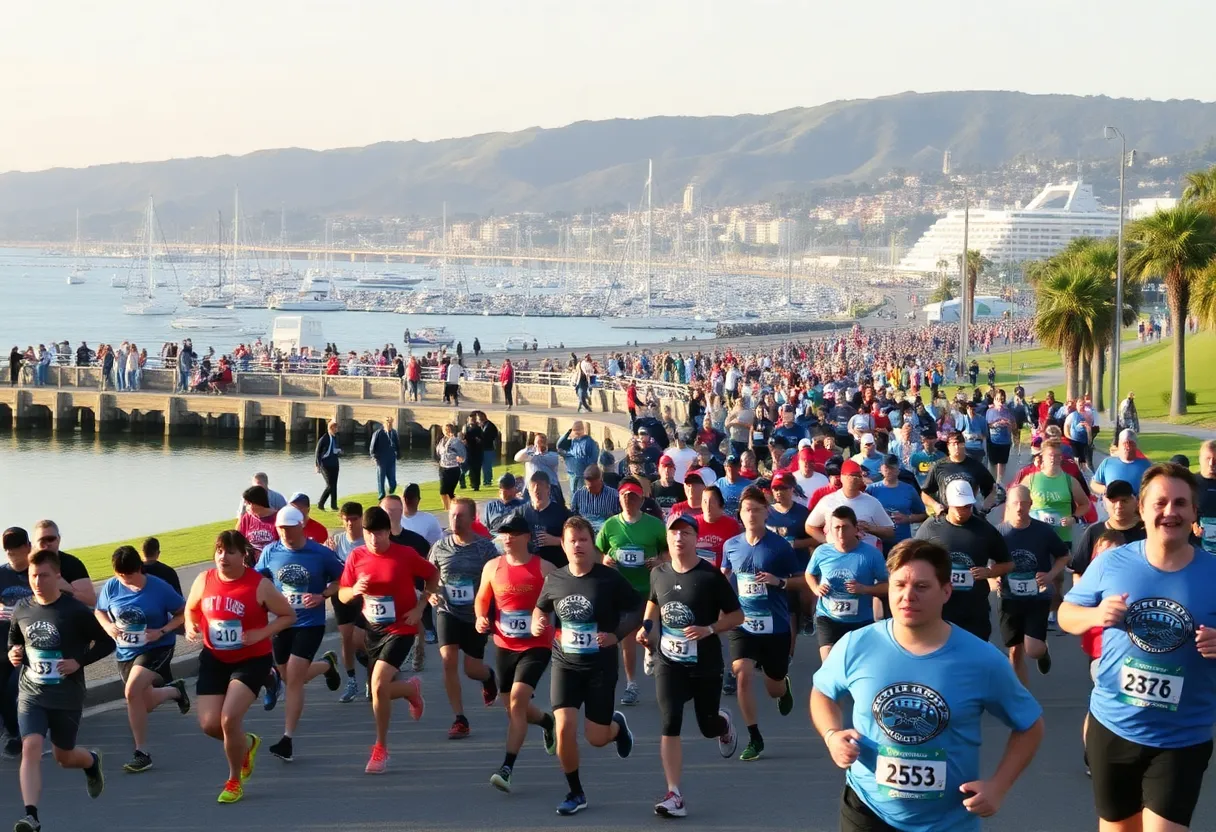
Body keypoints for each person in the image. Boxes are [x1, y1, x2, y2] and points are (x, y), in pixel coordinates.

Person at [811, 538, 1044, 832]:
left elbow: (1030, 725)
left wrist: (998, 786)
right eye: (899, 585)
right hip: (868, 808)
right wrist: (832, 735)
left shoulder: (982, 660)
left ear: (946, 591)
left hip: (949, 821)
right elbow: (823, 692)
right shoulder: (856, 645)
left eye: (921, 587)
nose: (908, 596)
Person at [1060, 463, 1216, 831]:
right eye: (1160, 502)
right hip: (1115, 727)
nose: (1170, 512)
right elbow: (1067, 612)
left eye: (1181, 503)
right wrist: (1096, 615)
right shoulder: (1112, 563)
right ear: (1142, 509)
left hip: (1182, 737)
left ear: (1195, 513)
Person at [533, 516, 642, 815]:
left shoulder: (608, 578)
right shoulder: (555, 579)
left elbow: (636, 608)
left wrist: (616, 635)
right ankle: (575, 792)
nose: (578, 545)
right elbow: (541, 607)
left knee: (595, 738)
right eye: (572, 541)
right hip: (565, 663)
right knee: (564, 728)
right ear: (564, 546)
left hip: (600, 666)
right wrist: (537, 621)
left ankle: (616, 728)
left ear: (591, 544)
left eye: (583, 540)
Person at [637, 513, 743, 817]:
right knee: (670, 721)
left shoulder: (710, 576)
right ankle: (675, 793)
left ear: (696, 539)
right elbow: (654, 604)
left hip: (705, 661)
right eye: (675, 533)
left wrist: (709, 629)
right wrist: (647, 631)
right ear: (668, 538)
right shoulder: (659, 573)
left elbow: (737, 617)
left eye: (686, 533)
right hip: (669, 661)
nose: (679, 538)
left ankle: (723, 723)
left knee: (707, 725)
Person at [184, 530, 296, 803]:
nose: (224, 557)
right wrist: (190, 624)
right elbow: (191, 609)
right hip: (214, 659)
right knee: (211, 725)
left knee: (228, 719)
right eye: (220, 550)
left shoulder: (259, 585)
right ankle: (247, 743)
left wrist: (262, 633)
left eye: (231, 552)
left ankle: (233, 780)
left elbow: (288, 615)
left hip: (251, 660)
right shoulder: (204, 579)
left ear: (243, 555)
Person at [7, 549, 112, 832]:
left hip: (66, 694)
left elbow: (106, 643)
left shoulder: (75, 612)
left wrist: (79, 661)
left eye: (43, 575)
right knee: (30, 747)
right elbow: (15, 641)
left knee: (63, 756)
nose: (37, 582)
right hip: (31, 692)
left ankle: (91, 761)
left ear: (57, 576)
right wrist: (14, 654)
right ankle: (31, 816)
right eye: (33, 576)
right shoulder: (23, 609)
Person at [337, 506, 435, 774]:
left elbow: (432, 575)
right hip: (373, 629)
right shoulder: (356, 557)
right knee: (378, 691)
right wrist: (353, 590)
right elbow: (343, 595)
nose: (374, 540)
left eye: (379, 534)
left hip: (401, 628)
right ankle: (410, 689)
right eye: (369, 534)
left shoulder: (405, 554)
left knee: (377, 685)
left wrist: (420, 607)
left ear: (388, 532)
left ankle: (380, 749)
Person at [473, 510, 558, 792]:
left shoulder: (544, 568)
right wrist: (480, 617)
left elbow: (558, 604)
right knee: (512, 707)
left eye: (511, 533)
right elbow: (482, 600)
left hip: (536, 645)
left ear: (525, 537)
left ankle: (506, 768)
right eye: (503, 533)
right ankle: (547, 721)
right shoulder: (492, 567)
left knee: (519, 700)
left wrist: (548, 622)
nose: (505, 538)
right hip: (504, 645)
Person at [254, 506, 344, 761]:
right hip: (283, 623)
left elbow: (342, 580)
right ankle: (327, 665)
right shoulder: (271, 551)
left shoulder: (320, 553)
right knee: (287, 674)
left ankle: (287, 739)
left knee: (293, 678)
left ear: (301, 526)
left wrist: (322, 595)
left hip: (309, 624)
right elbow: (257, 580)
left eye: (289, 529)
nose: (284, 533)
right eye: (280, 529)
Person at [721, 486, 803, 761]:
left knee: (773, 686)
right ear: (740, 515)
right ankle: (754, 737)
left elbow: (802, 580)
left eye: (758, 509)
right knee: (742, 674)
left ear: (766, 513)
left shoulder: (780, 547)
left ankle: (783, 687)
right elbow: (723, 577)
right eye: (748, 510)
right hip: (742, 623)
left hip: (775, 627)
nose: (752, 514)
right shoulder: (731, 545)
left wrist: (778, 582)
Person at [94, 546, 190, 773]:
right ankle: (175, 691)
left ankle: (142, 753)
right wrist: (108, 626)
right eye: (119, 575)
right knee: (141, 704)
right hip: (126, 652)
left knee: (131, 692)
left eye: (128, 575)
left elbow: (184, 611)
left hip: (156, 647)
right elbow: (99, 611)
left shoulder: (158, 587)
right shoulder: (112, 586)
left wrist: (163, 631)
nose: (124, 580)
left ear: (139, 569)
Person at [428, 498, 500, 739]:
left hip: (475, 616)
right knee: (448, 659)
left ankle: (488, 677)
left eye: (460, 515)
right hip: (448, 612)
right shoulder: (440, 547)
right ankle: (460, 718)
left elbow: (496, 582)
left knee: (472, 669)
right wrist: (432, 594)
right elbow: (430, 579)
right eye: (452, 515)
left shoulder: (486, 549)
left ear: (472, 518)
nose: (455, 520)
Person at [595, 477, 668, 705]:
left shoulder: (654, 525)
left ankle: (649, 648)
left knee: (649, 634)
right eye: (625, 497)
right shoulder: (610, 525)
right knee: (626, 638)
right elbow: (598, 552)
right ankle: (631, 684)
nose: (629, 501)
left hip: (649, 591)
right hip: (622, 592)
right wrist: (605, 559)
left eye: (634, 497)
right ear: (619, 499)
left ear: (641, 499)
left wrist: (658, 562)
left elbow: (668, 554)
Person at [914, 480, 1011, 641]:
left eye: (966, 507)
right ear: (948, 504)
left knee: (973, 659)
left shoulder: (984, 530)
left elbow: (1008, 563)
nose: (962, 511)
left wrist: (989, 572)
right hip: (940, 609)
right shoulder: (931, 527)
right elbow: (914, 561)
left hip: (973, 610)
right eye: (957, 506)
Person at [997, 485, 1070, 686]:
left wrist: (1050, 575)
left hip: (1037, 597)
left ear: (1030, 504)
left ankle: (1043, 651)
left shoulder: (1044, 531)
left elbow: (1064, 556)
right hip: (1009, 598)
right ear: (1008, 506)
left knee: (1033, 650)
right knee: (1014, 651)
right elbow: (988, 561)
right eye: (1015, 503)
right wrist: (991, 578)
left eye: (1023, 503)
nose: (1019, 508)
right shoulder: (1000, 532)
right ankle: (1023, 700)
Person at [806, 506, 889, 661]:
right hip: (828, 617)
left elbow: (888, 585)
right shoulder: (822, 552)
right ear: (830, 529)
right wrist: (816, 588)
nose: (840, 532)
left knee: (858, 665)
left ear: (856, 529)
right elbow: (809, 573)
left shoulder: (871, 555)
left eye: (845, 527)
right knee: (829, 664)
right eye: (836, 528)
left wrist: (864, 589)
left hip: (860, 620)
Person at [326, 502, 367, 702]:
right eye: (347, 519)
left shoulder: (368, 540)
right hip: (341, 595)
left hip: (364, 595)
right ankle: (352, 680)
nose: (350, 523)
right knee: (347, 638)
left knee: (362, 639)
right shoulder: (335, 541)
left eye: (354, 519)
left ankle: (373, 672)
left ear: (361, 519)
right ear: (341, 520)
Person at [807, 460, 895, 551]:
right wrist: (827, 542)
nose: (855, 478)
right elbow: (810, 526)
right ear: (842, 477)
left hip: (864, 555)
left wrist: (870, 528)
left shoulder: (872, 502)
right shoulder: (828, 501)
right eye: (852, 475)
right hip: (836, 555)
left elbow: (891, 531)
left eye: (858, 476)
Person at [1017, 437, 1090, 545]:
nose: (1053, 459)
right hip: (1035, 537)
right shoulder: (1030, 479)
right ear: (1042, 457)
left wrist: (1073, 518)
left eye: (1057, 456)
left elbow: (1085, 504)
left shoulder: (1070, 481)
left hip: (1062, 538)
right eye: (1050, 455)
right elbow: (1015, 502)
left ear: (1061, 458)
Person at [920, 431, 998, 517]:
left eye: (960, 444)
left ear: (964, 445)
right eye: (953, 444)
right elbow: (925, 493)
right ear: (948, 447)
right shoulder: (938, 467)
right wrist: (935, 505)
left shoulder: (976, 466)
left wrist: (984, 507)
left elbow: (994, 489)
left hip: (969, 513)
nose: (956, 447)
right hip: (947, 515)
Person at [866, 454, 927, 547]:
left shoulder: (908, 489)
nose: (889, 471)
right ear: (881, 469)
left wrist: (907, 518)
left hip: (902, 542)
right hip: (878, 542)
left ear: (898, 470)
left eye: (892, 468)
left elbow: (923, 515)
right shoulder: (872, 489)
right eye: (886, 468)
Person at [29, 520, 94, 607]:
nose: (47, 544)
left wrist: (65, 587)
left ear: (58, 539)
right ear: (34, 543)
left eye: (51, 539)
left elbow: (90, 600)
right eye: (42, 540)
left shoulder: (72, 564)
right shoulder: (27, 565)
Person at [522, 471, 571, 568]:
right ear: (529, 491)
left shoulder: (562, 513)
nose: (536, 490)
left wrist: (557, 540)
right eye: (533, 487)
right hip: (530, 564)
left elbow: (575, 539)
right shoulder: (521, 512)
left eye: (540, 486)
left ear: (548, 489)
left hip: (555, 563)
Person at [1092, 429, 1154, 497]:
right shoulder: (1108, 463)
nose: (1127, 447)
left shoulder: (1146, 466)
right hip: (1112, 505)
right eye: (1124, 443)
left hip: (1136, 506)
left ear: (1135, 446)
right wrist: (1106, 490)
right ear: (1119, 445)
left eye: (1130, 443)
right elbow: (1094, 484)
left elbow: (1154, 488)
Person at [514, 433, 564, 504]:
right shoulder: (530, 455)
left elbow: (545, 459)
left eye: (542, 441)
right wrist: (528, 449)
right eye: (538, 441)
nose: (540, 443)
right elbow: (517, 458)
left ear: (546, 443)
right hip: (530, 488)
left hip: (550, 487)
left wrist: (535, 455)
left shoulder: (553, 456)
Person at [570, 465, 620, 535]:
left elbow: (620, 517)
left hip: (607, 534)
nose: (591, 490)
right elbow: (573, 517)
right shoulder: (578, 496)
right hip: (585, 536)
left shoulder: (614, 495)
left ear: (601, 479)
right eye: (589, 487)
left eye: (595, 487)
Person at [557, 421, 600, 499]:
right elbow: (559, 445)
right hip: (572, 475)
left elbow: (593, 459)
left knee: (583, 496)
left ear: (583, 430)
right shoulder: (572, 441)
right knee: (574, 496)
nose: (576, 432)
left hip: (583, 476)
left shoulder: (589, 442)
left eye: (578, 430)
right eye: (575, 430)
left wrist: (582, 464)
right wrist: (568, 432)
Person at [236, 486, 279, 561]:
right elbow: (238, 540)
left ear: (258, 503)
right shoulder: (247, 518)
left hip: (272, 559)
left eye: (248, 503)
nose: (247, 507)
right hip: (252, 562)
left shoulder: (278, 517)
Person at [482, 472, 527, 537]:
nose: (506, 492)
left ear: (514, 489)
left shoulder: (523, 505)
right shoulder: (491, 506)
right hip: (495, 539)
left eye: (508, 489)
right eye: (503, 489)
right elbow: (487, 528)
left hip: (514, 538)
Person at [436, 422, 467, 511]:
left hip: (453, 469)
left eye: (448, 430)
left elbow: (463, 456)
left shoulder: (456, 441)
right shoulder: (442, 440)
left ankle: (454, 508)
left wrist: (460, 458)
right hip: (443, 468)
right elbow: (439, 452)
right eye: (445, 430)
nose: (446, 431)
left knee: (450, 492)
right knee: (442, 491)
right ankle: (446, 509)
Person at [315, 420, 343, 512]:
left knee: (334, 485)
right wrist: (317, 465)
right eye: (336, 428)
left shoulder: (336, 437)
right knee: (330, 486)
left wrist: (339, 451)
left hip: (334, 464)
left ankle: (333, 505)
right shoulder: (324, 438)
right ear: (331, 428)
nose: (337, 429)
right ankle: (320, 504)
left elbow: (338, 449)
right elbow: (317, 452)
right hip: (325, 465)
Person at [369, 416, 400, 499]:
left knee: (393, 481)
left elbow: (397, 444)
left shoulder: (394, 432)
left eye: (390, 423)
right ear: (384, 423)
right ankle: (381, 495)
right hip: (381, 459)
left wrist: (399, 454)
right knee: (381, 479)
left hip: (391, 459)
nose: (389, 424)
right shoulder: (378, 433)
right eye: (387, 422)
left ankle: (391, 490)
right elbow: (372, 447)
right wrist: (374, 457)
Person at [1196, 439, 1216, 555]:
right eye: (1208, 458)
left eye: (1215, 459)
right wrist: (1192, 525)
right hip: (1198, 546)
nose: (1211, 464)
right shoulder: (1190, 483)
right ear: (1200, 459)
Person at [477, 412, 501, 488]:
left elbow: (485, 437)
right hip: (485, 449)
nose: (477, 420)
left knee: (486, 466)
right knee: (485, 466)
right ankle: (486, 481)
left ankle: (487, 481)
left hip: (488, 449)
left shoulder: (489, 426)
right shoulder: (485, 425)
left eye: (478, 418)